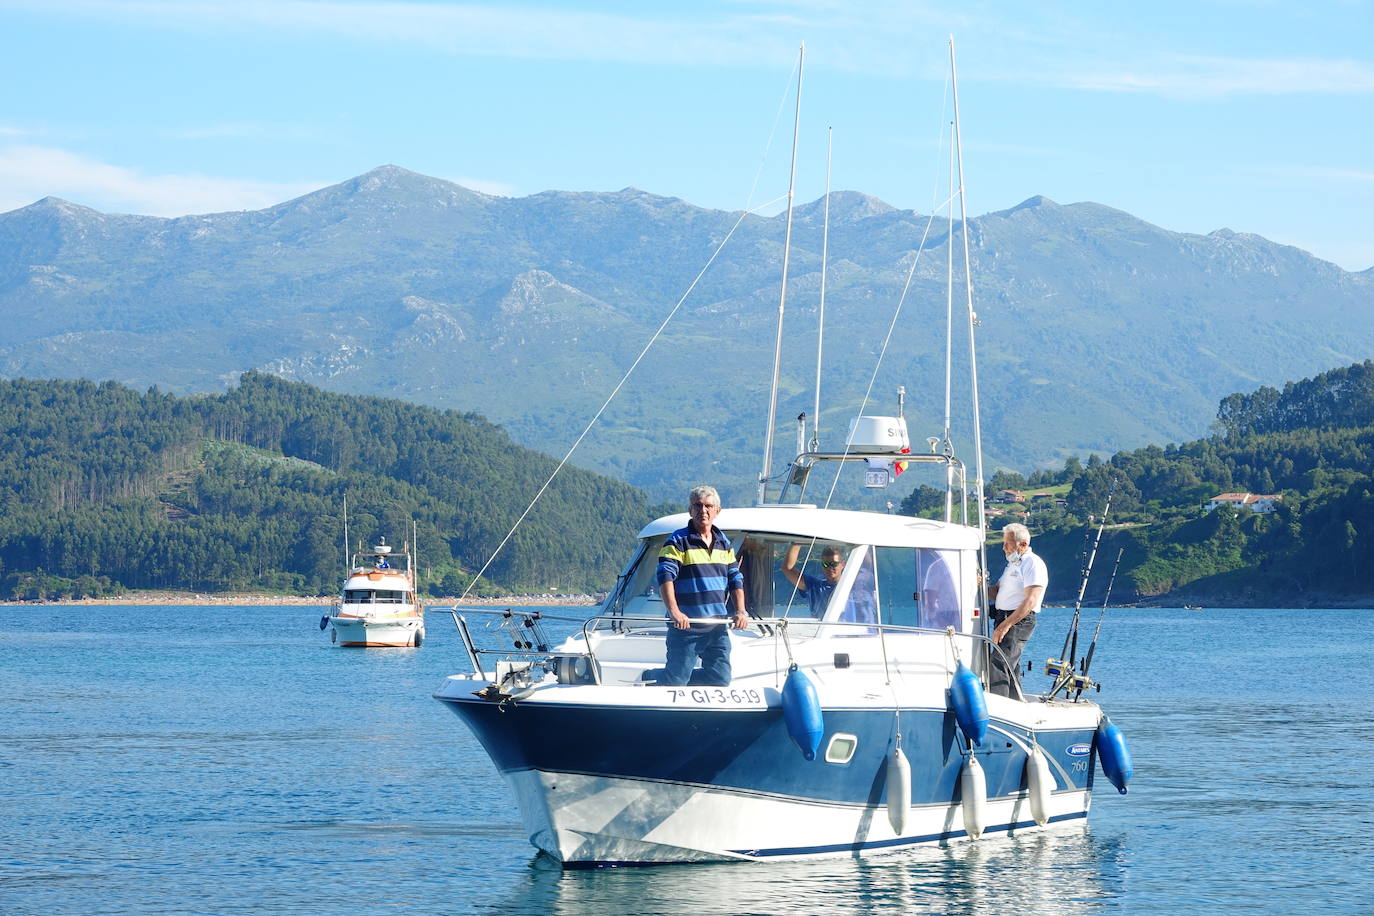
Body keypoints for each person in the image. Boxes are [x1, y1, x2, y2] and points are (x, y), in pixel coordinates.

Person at [655, 485, 748, 686]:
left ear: (717, 511)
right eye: (697, 506)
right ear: (690, 510)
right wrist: (674, 612)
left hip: (717, 627)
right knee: (676, 682)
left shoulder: (724, 543)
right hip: (686, 627)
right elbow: (664, 576)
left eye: (708, 506)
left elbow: (735, 578)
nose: (703, 510)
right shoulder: (678, 541)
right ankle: (655, 678)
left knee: (720, 680)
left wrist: (741, 610)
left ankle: (665, 682)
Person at [987, 522, 1047, 697]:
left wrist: (1006, 625)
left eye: (1007, 543)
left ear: (1023, 544)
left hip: (1018, 621)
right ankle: (1015, 703)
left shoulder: (1032, 563)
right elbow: (996, 593)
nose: (1004, 548)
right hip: (1003, 617)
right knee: (1011, 666)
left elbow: (1031, 600)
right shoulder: (1013, 564)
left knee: (999, 663)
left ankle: (998, 707)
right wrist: (980, 584)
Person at [781, 543, 845, 619]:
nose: (829, 567)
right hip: (821, 630)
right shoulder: (815, 587)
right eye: (826, 564)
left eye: (833, 564)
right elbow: (788, 569)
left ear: (843, 564)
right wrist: (797, 542)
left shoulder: (852, 588)